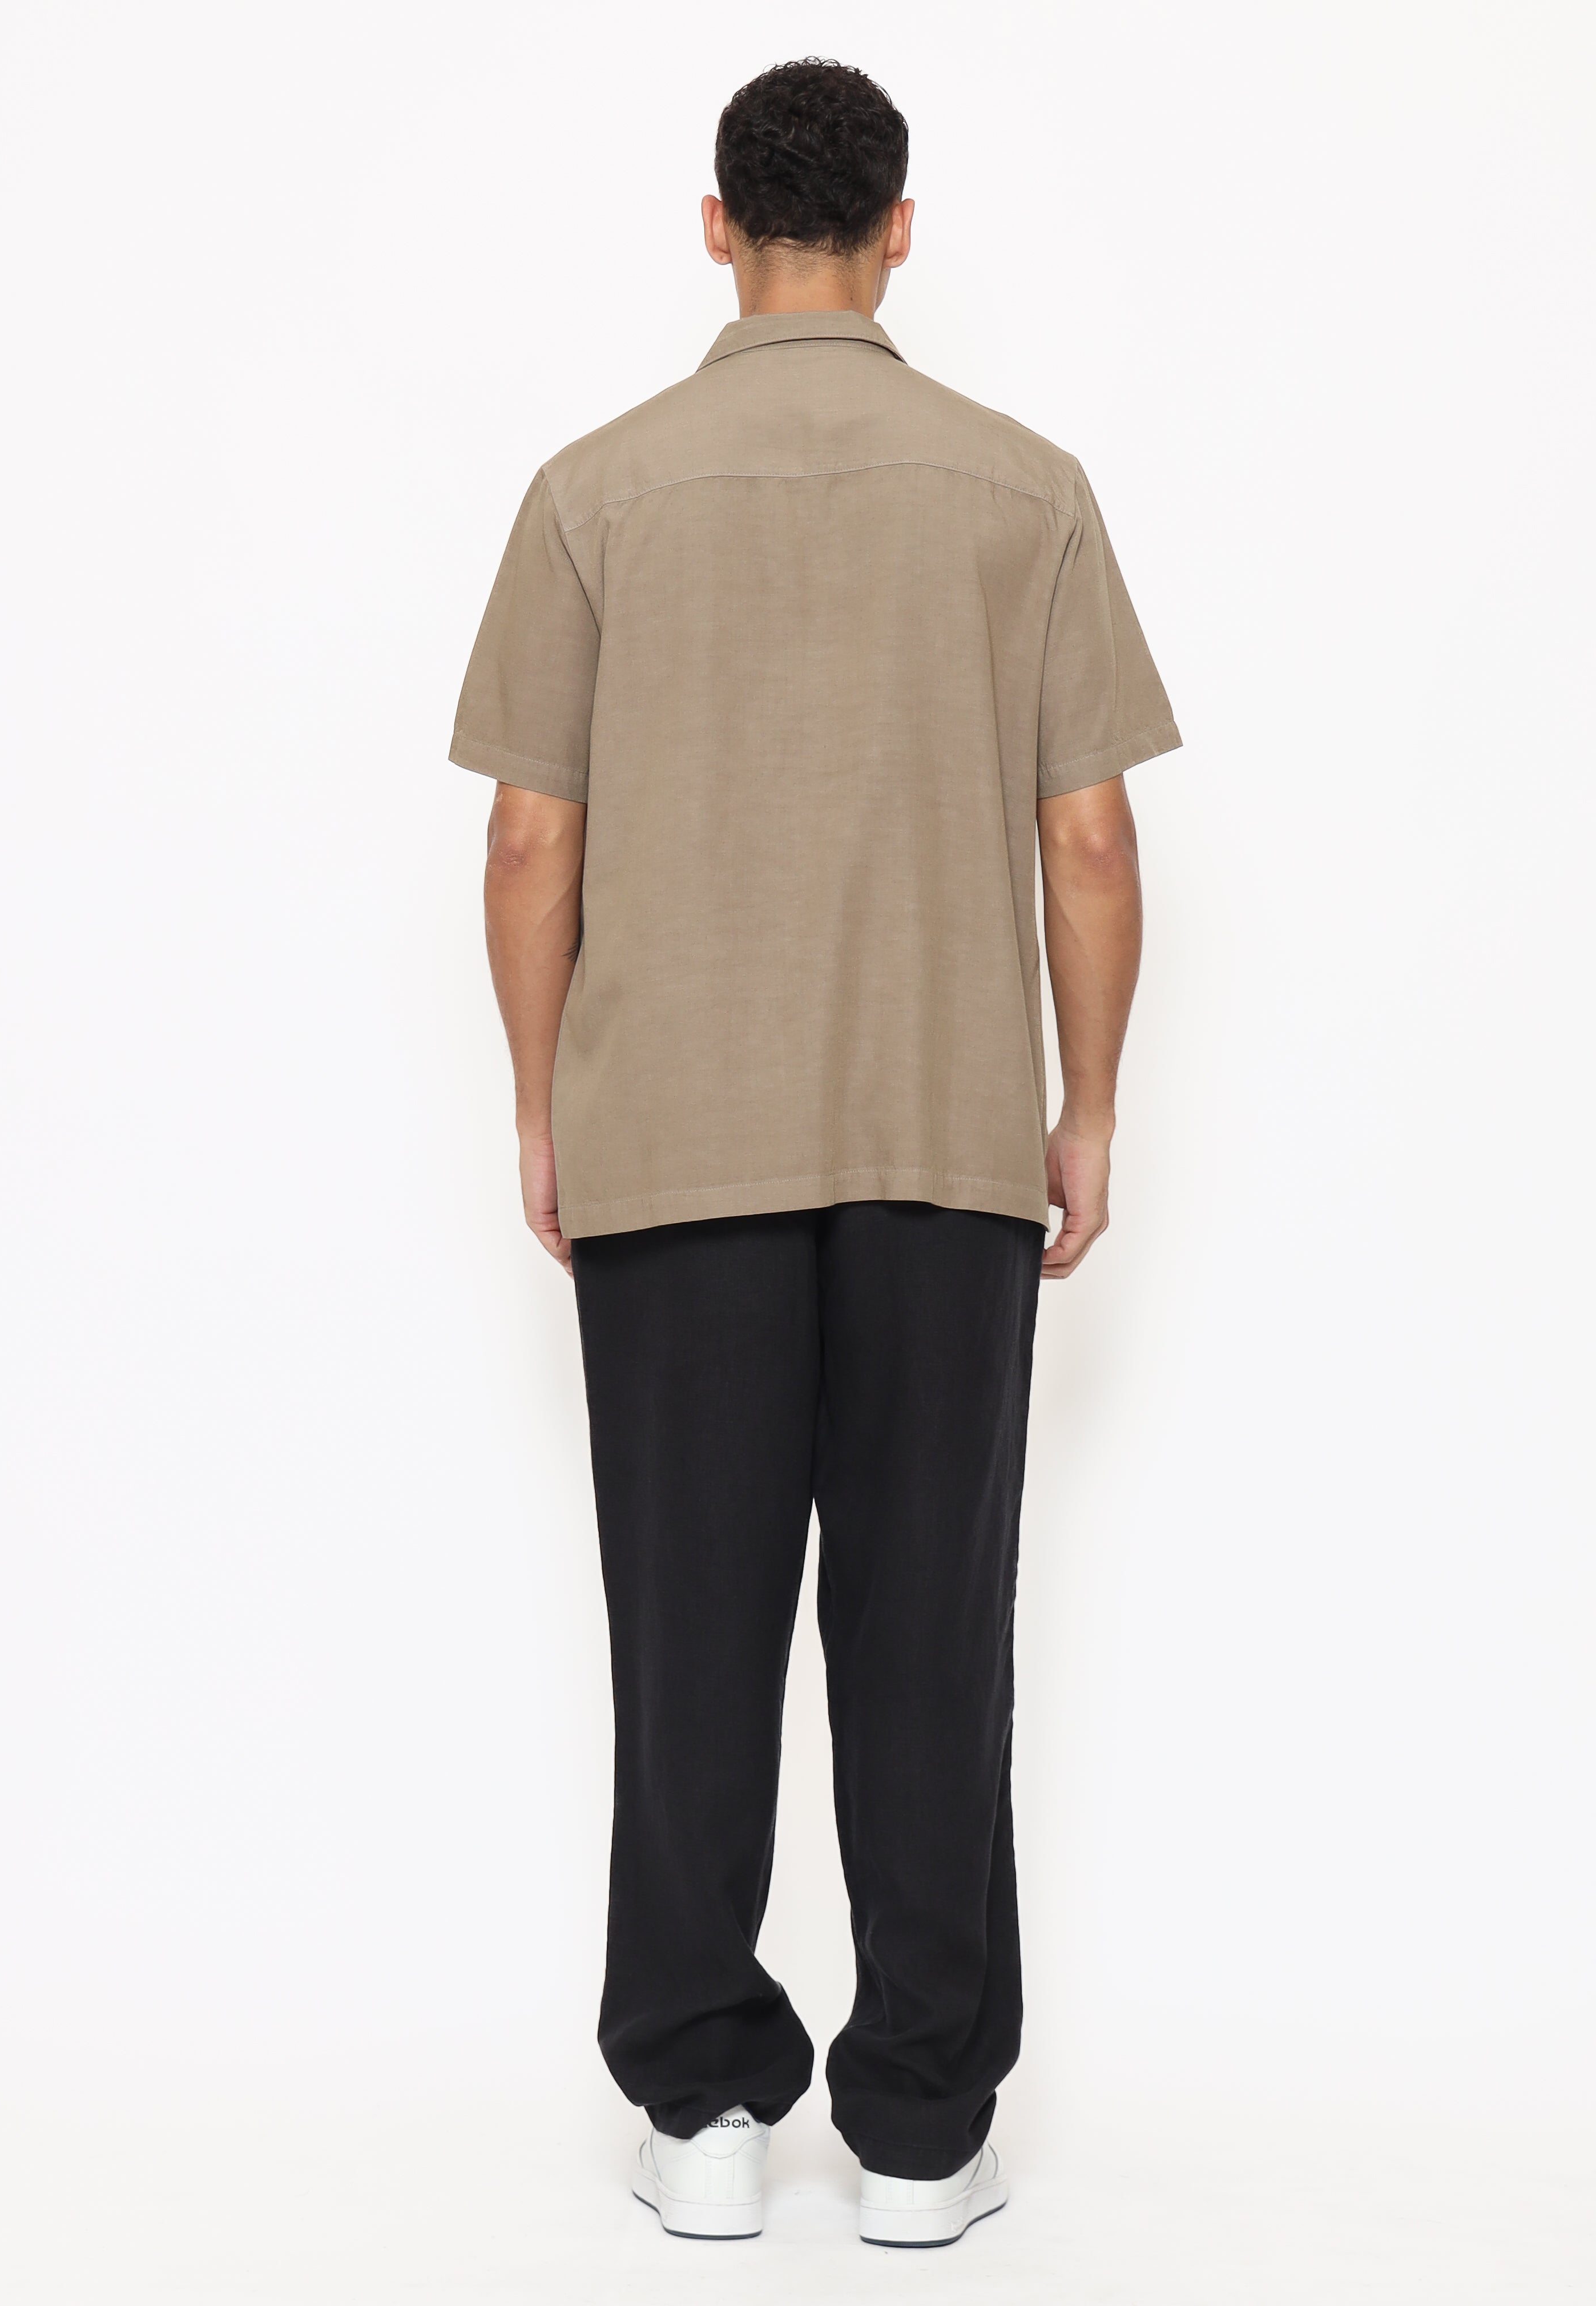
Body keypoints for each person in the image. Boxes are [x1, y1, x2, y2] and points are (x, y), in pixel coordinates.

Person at [449, 57, 1176, 2249]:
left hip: (674, 1147)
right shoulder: (1024, 490)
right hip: (944, 1149)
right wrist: (1088, 1108)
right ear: (899, 228)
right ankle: (926, 2135)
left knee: (690, 1632)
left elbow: (530, 838)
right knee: (928, 1635)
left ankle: (700, 2114)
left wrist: (541, 1102)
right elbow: (1090, 836)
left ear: (715, 224)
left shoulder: (594, 492)